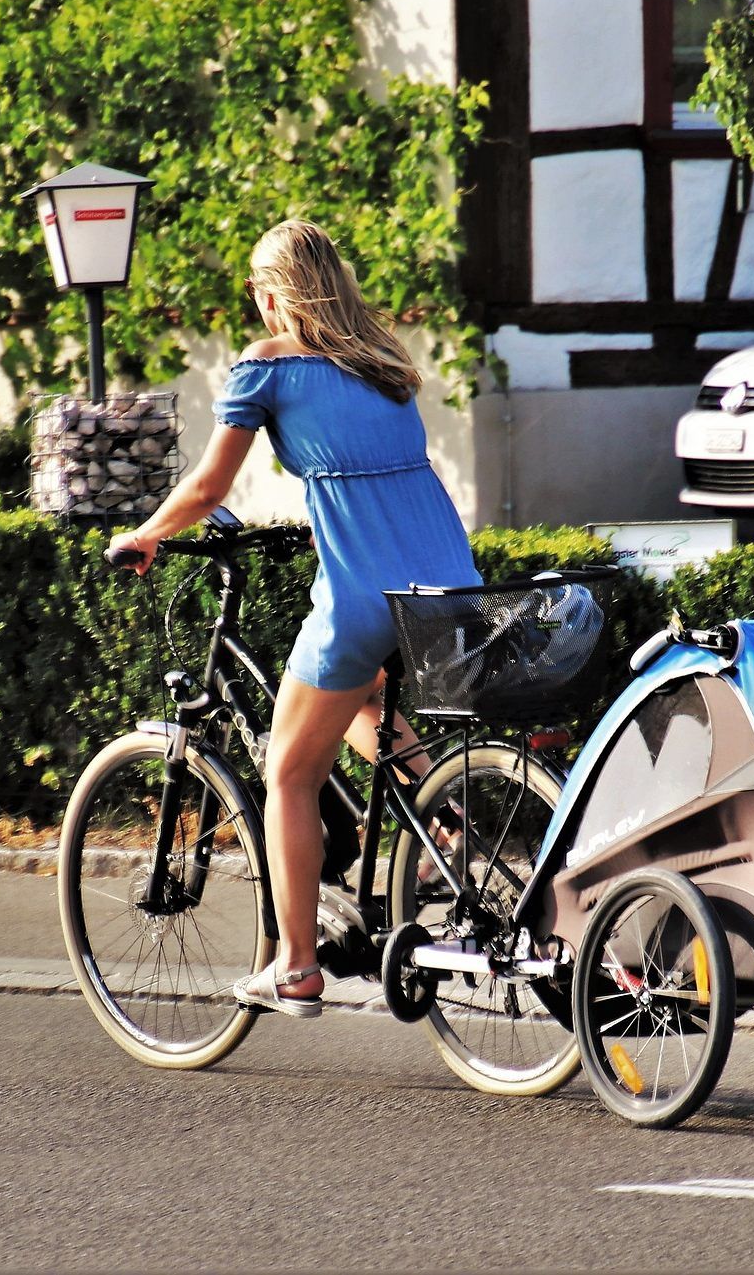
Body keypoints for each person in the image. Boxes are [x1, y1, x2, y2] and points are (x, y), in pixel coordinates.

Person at [107, 219, 479, 1019]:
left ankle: (295, 966)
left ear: (275, 289)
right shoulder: (382, 363)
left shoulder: (265, 367)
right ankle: (448, 825)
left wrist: (145, 534)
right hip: (448, 584)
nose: (254, 300)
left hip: (358, 593)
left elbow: (208, 490)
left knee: (287, 771)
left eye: (253, 284)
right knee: (366, 703)